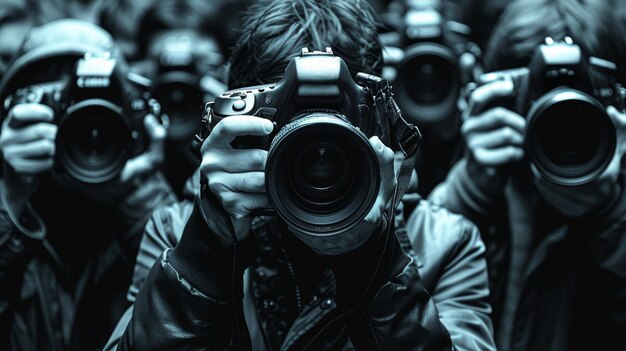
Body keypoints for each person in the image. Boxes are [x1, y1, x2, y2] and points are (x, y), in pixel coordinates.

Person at [104, 0, 496, 349]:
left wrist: (371, 260)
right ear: (238, 122)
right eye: (286, 122)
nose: (316, 155)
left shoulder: (447, 244)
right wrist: (208, 248)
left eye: (339, 122)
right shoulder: (179, 233)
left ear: (382, 124)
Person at [429, 0, 626, 350]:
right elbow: (408, 319)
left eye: (578, 102)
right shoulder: (483, 183)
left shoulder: (616, 208)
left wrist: (609, 219)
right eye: (537, 98)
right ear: (502, 93)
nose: (560, 126)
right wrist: (468, 192)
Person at [0, 19, 176, 350]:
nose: (86, 128)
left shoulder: (148, 204)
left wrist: (136, 191)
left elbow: (191, 314)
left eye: (100, 106)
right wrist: (10, 199)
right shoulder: (11, 197)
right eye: (61, 105)